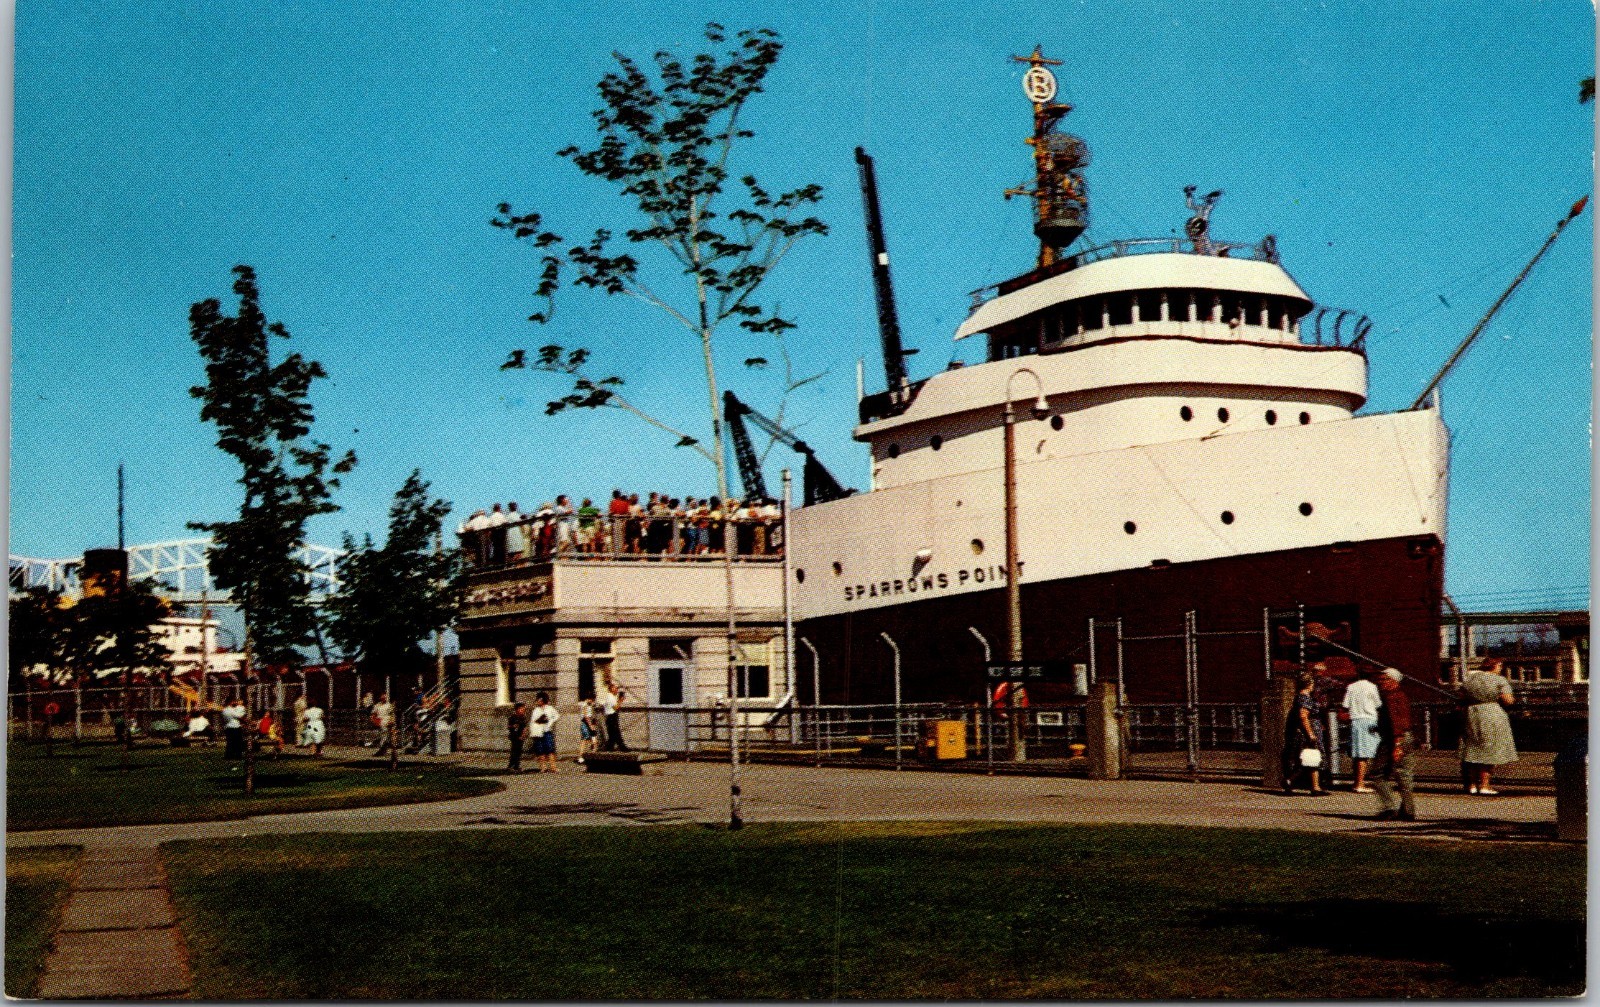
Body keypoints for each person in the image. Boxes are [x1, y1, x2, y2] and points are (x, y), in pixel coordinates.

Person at [1459, 659, 1517, 795]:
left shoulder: (1470, 679)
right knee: (1490, 750)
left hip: (1471, 714)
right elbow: (1508, 700)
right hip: (1492, 714)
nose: (1501, 668)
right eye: (1500, 665)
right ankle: (1485, 785)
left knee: (1472, 749)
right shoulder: (1499, 680)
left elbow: (1461, 698)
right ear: (1495, 666)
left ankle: (1472, 785)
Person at [1371, 667, 1417, 821]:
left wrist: (1397, 744)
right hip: (1407, 736)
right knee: (1404, 774)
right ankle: (1408, 810)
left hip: (1394, 738)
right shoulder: (1402, 696)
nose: (1381, 682)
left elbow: (1396, 721)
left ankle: (1389, 807)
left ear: (1394, 681)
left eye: (1385, 679)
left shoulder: (1390, 697)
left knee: (1378, 773)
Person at [1282, 673, 1328, 795]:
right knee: (1312, 758)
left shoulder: (1300, 697)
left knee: (1308, 759)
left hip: (1308, 731)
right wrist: (1311, 734)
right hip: (1307, 733)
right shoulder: (1305, 698)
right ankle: (1314, 787)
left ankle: (1291, 781)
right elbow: (1303, 716)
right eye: (1312, 683)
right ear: (1309, 684)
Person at [1342, 671, 1381, 793]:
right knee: (1364, 755)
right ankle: (1359, 784)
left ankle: (1358, 781)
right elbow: (1378, 704)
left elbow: (1345, 705)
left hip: (1355, 721)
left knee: (1358, 753)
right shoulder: (1372, 687)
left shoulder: (1351, 687)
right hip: (1369, 720)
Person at [528, 692, 562, 772]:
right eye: (537, 700)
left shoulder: (550, 708)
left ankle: (553, 767)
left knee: (550, 749)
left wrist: (550, 721)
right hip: (538, 732)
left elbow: (557, 716)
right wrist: (539, 720)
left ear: (543, 700)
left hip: (547, 731)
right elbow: (533, 721)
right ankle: (543, 767)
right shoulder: (536, 710)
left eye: (539, 700)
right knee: (540, 750)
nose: (538, 701)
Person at [600, 683, 630, 751]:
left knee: (612, 734)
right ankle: (623, 748)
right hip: (612, 716)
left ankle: (609, 748)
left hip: (610, 716)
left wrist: (619, 700)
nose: (617, 690)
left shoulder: (611, 696)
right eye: (615, 688)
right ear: (611, 689)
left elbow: (615, 704)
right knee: (616, 733)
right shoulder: (610, 697)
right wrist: (621, 701)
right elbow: (615, 707)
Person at [507, 701, 529, 773]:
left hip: (521, 736)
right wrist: (513, 726)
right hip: (514, 736)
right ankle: (511, 766)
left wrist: (523, 735)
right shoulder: (512, 717)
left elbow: (525, 727)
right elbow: (509, 726)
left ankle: (516, 766)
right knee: (514, 751)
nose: (523, 710)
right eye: (521, 709)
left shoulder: (523, 717)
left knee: (519, 752)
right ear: (517, 709)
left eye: (524, 709)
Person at [576, 697, 599, 764]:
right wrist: (590, 725)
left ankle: (592, 756)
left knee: (594, 740)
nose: (592, 701)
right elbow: (586, 716)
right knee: (585, 740)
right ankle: (580, 757)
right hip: (586, 723)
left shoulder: (590, 704)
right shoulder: (585, 704)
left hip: (591, 723)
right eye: (592, 699)